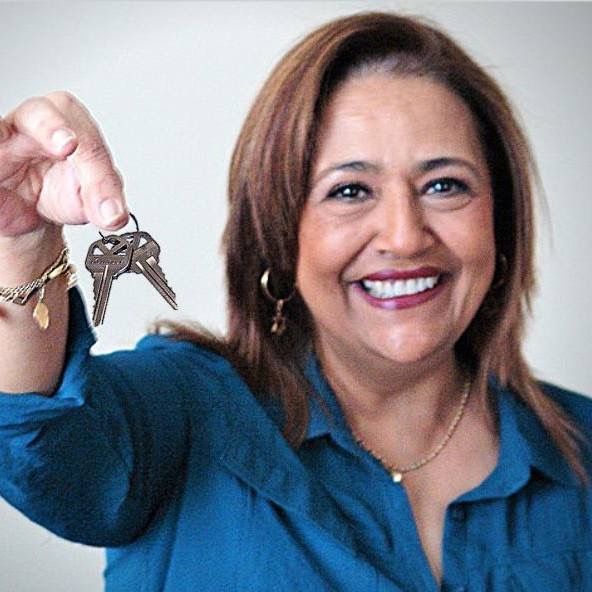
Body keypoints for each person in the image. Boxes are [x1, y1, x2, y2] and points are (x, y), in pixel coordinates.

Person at [0, 10, 591, 592]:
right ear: (281, 235)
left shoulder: (581, 447)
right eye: (350, 190)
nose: (405, 236)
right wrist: (23, 240)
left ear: (500, 221)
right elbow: (44, 446)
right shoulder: (184, 414)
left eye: (444, 185)